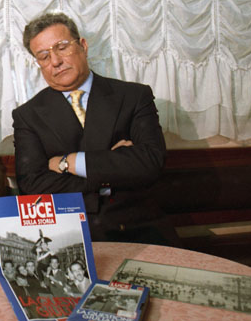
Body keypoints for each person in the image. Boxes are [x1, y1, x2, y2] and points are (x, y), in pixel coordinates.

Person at [12, 12, 173, 245]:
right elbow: (33, 185)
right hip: (69, 233)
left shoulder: (134, 96)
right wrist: (113, 168)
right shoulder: (28, 115)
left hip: (138, 226)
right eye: (44, 56)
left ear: (83, 46)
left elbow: (150, 163)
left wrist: (69, 163)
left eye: (62, 47)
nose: (55, 61)